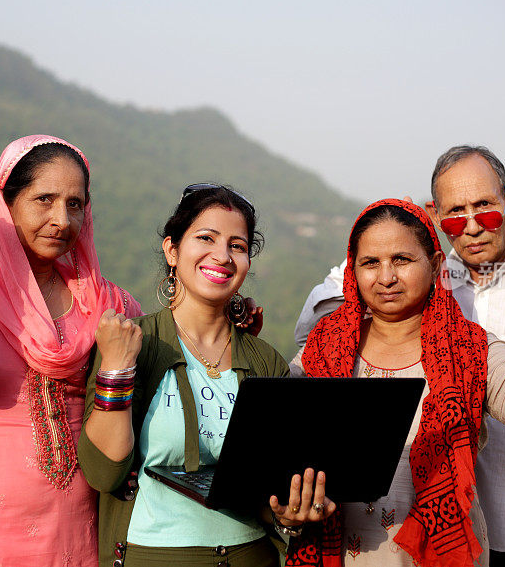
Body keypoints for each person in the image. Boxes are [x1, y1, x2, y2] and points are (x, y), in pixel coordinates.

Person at [294, 146, 505, 567]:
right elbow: (356, 275)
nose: (472, 227)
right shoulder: (418, 280)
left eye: (486, 209)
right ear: (435, 215)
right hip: (411, 539)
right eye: (456, 214)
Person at [287, 198, 505, 567]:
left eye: (402, 260)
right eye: (370, 263)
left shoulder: (467, 349)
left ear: (435, 264)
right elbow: (284, 449)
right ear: (352, 271)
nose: (386, 277)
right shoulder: (323, 349)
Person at [0, 135, 143, 567]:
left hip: (77, 537)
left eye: (75, 204)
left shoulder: (108, 304)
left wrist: (230, 318)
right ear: (6, 203)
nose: (61, 219)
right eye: (44, 200)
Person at [78, 184, 335, 567]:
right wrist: (116, 370)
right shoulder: (133, 343)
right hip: (153, 557)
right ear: (172, 250)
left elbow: (270, 486)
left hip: (252, 556)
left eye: (237, 245)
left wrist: (290, 513)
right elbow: (104, 472)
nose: (223, 255)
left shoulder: (265, 362)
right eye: (206, 238)